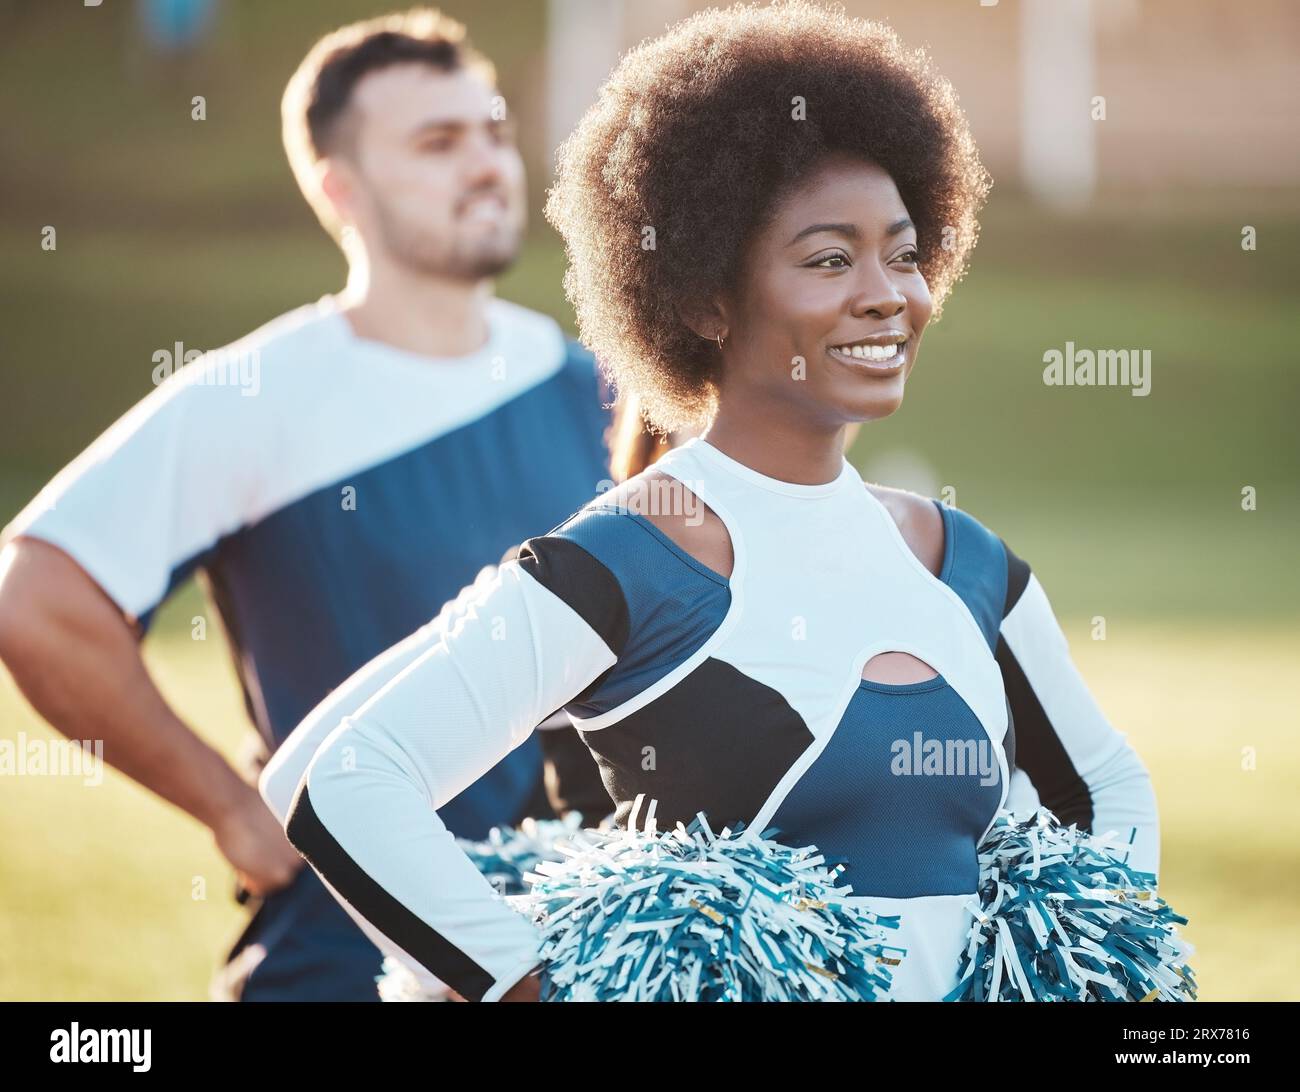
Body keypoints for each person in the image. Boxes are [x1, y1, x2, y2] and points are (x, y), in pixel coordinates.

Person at [270, 1, 1160, 1002]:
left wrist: (1081, 961)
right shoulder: (624, 562)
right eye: (829, 259)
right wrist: (537, 989)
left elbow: (1106, 791)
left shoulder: (965, 565)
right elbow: (347, 784)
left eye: (904, 253)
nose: (886, 294)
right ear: (703, 299)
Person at [0, 8, 610, 1001]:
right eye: (438, 142)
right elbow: (37, 598)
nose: (488, 163)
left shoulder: (594, 388)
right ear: (340, 186)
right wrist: (231, 809)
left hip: (566, 958)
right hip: (341, 964)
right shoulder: (258, 395)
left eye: (493, 132)